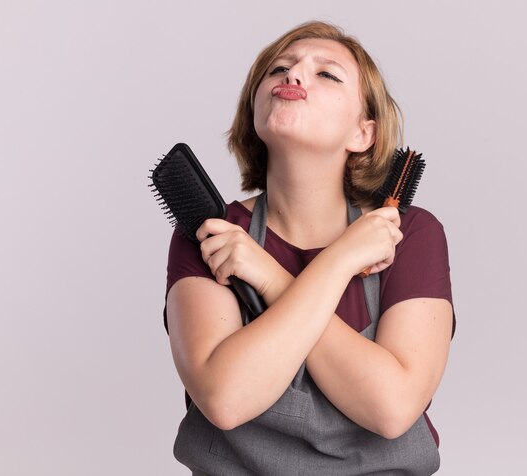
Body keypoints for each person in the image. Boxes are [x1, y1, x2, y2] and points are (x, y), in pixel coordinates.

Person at [164, 20, 454, 476]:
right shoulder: (211, 234)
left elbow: (391, 408)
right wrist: (340, 262)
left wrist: (275, 277)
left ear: (364, 133)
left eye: (327, 74)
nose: (292, 76)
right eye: (279, 68)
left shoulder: (409, 235)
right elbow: (225, 398)